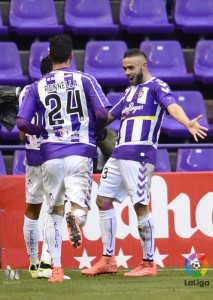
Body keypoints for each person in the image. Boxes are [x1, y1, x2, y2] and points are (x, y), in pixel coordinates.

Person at [81, 49, 208, 277]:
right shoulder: (129, 93)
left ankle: (149, 264)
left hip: (139, 155)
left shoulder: (157, 86)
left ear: (144, 66)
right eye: (124, 68)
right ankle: (108, 260)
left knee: (140, 205)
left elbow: (172, 107)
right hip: (118, 155)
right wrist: (85, 120)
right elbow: (109, 116)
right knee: (103, 201)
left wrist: (187, 123)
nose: (127, 72)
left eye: (131, 68)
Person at [17, 34, 111, 283]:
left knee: (54, 211)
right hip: (80, 150)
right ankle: (76, 217)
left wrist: (43, 130)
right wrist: (96, 128)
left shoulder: (36, 87)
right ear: (72, 56)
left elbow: (22, 123)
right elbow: (103, 112)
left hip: (49, 155)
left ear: (50, 56)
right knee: (79, 208)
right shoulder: (85, 79)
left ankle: (55, 271)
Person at [18, 56, 62, 279]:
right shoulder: (58, 89)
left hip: (32, 157)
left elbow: (21, 132)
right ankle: (47, 263)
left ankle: (34, 264)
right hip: (53, 153)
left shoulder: (26, 91)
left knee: (33, 209)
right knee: (55, 209)